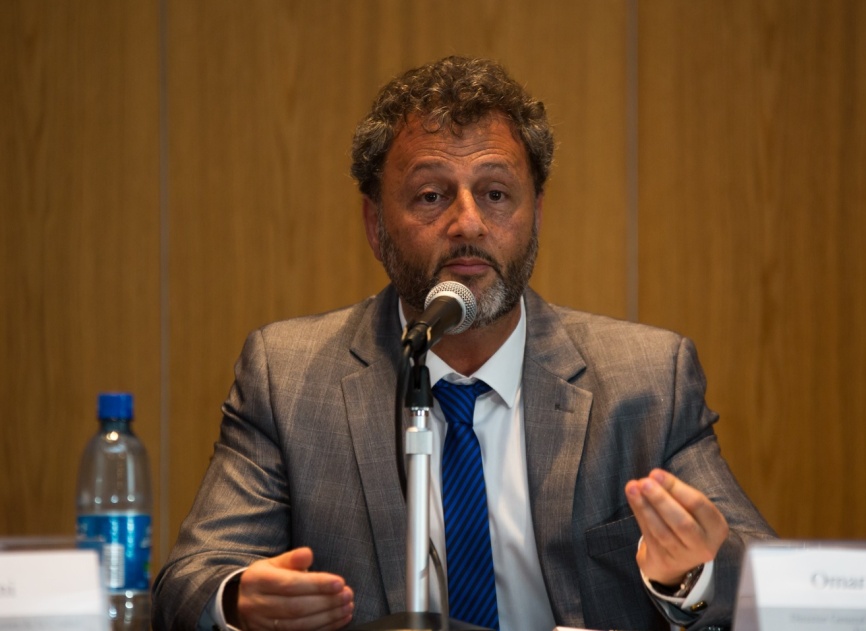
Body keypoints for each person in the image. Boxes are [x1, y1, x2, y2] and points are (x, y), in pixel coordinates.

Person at [152, 56, 775, 631]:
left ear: (536, 214)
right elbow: (189, 581)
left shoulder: (647, 380)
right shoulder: (289, 379)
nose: (469, 222)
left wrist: (690, 575)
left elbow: (768, 584)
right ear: (375, 224)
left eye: (496, 194)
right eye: (431, 196)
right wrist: (238, 600)